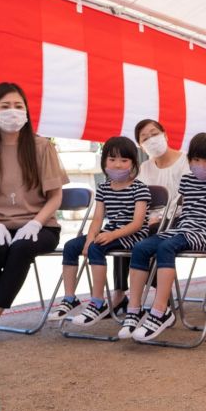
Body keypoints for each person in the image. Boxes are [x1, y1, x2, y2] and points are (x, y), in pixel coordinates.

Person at [119, 132, 206, 342]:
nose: (201, 164)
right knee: (140, 247)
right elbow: (180, 211)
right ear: (189, 160)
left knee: (166, 248)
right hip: (184, 229)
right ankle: (134, 309)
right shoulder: (187, 180)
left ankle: (160, 311)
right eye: (196, 160)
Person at [0, 82, 68, 334]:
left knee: (20, 247)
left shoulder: (42, 147)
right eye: (5, 106)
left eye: (18, 106)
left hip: (40, 227)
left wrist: (35, 223)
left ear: (27, 112)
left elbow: (55, 197)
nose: (13, 111)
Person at [50, 137, 150, 326]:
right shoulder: (104, 188)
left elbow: (138, 223)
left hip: (133, 235)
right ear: (104, 162)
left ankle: (97, 302)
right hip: (109, 230)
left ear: (133, 163)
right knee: (71, 246)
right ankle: (70, 298)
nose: (117, 165)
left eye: (124, 160)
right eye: (112, 159)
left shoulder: (140, 188)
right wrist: (89, 238)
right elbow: (97, 219)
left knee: (97, 247)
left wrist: (110, 236)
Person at [111, 119, 190, 312]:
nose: (151, 140)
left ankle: (161, 295)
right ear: (140, 145)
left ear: (165, 134)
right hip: (148, 220)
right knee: (121, 229)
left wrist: (161, 217)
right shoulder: (144, 168)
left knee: (145, 234)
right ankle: (120, 293)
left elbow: (187, 199)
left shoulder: (186, 161)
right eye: (145, 138)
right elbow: (135, 198)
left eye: (154, 134)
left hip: (177, 219)